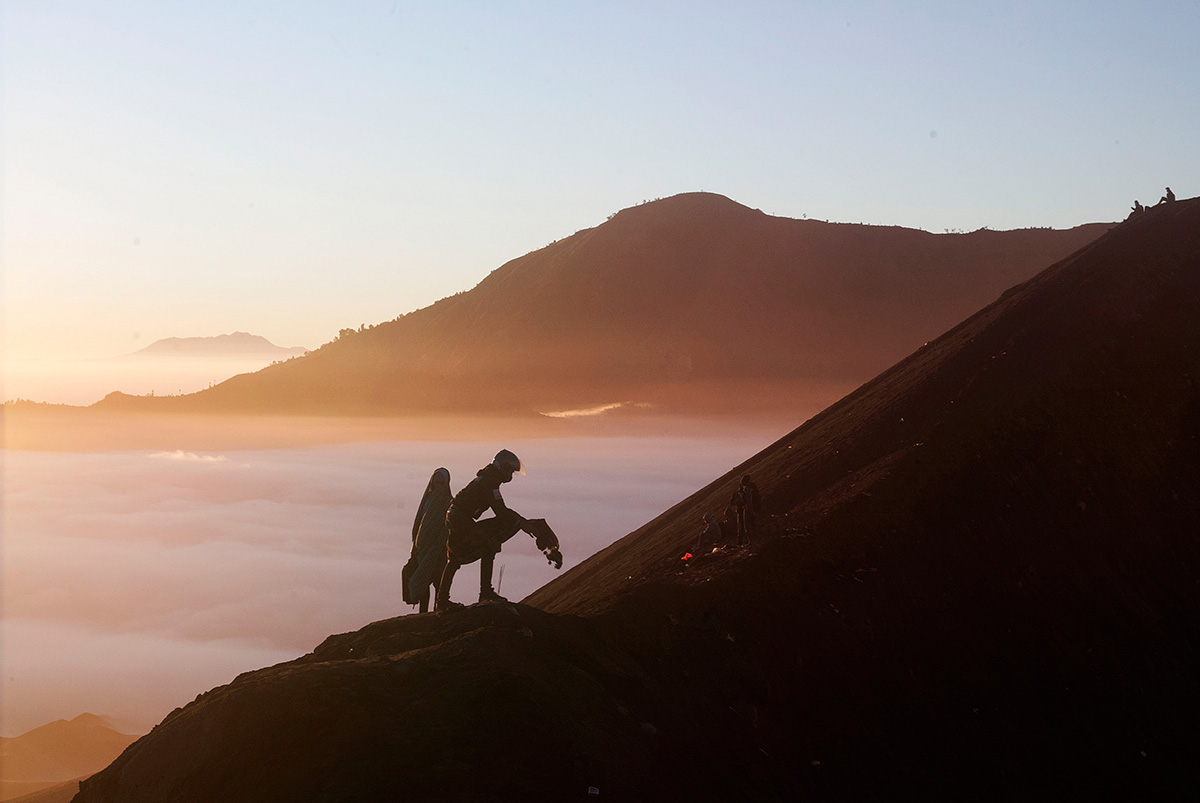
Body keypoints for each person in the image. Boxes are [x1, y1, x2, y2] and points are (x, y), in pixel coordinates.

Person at [436, 449, 562, 611]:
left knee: (459, 557)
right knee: (473, 550)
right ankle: (483, 593)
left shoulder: (488, 479)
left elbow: (502, 512)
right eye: (509, 470)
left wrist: (523, 523)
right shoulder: (489, 483)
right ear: (502, 468)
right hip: (460, 521)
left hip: (457, 519)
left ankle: (445, 600)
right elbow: (501, 512)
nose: (510, 475)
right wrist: (524, 524)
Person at [403, 468, 453, 613]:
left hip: (440, 549)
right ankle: (423, 612)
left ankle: (438, 609)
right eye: (436, 482)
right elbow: (419, 523)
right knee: (424, 581)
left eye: (441, 482)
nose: (438, 485)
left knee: (438, 581)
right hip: (422, 549)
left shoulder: (448, 502)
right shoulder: (428, 499)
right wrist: (415, 545)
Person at [731, 474, 762, 546]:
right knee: (750, 525)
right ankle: (753, 540)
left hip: (749, 509)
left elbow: (748, 500)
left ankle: (751, 541)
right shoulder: (750, 489)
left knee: (748, 525)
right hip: (751, 508)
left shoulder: (747, 490)